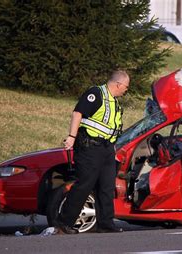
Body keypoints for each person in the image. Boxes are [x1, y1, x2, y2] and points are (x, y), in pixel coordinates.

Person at [57, 70, 130, 234]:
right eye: (126, 86)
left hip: (106, 149)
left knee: (106, 187)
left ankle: (106, 224)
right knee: (85, 184)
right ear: (118, 84)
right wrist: (71, 137)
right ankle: (64, 222)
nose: (126, 90)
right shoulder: (96, 94)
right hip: (90, 147)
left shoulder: (114, 102)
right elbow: (77, 113)